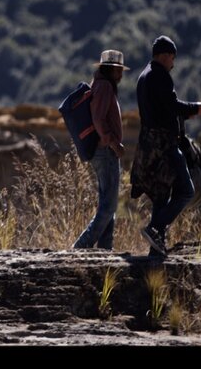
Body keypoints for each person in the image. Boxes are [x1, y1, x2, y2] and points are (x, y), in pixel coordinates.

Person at [130, 35, 201, 257]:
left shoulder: (144, 76)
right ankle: (155, 229)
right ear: (166, 56)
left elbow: (162, 108)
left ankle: (156, 251)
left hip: (149, 146)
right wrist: (194, 108)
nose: (173, 64)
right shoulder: (160, 76)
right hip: (165, 146)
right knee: (186, 191)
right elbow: (172, 105)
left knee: (161, 196)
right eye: (172, 58)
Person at [73, 49, 128, 251]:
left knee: (108, 205)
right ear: (111, 69)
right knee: (108, 207)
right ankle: (80, 248)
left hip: (104, 151)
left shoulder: (101, 84)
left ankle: (105, 251)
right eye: (119, 70)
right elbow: (99, 119)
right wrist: (113, 143)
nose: (121, 75)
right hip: (106, 152)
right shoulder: (104, 87)